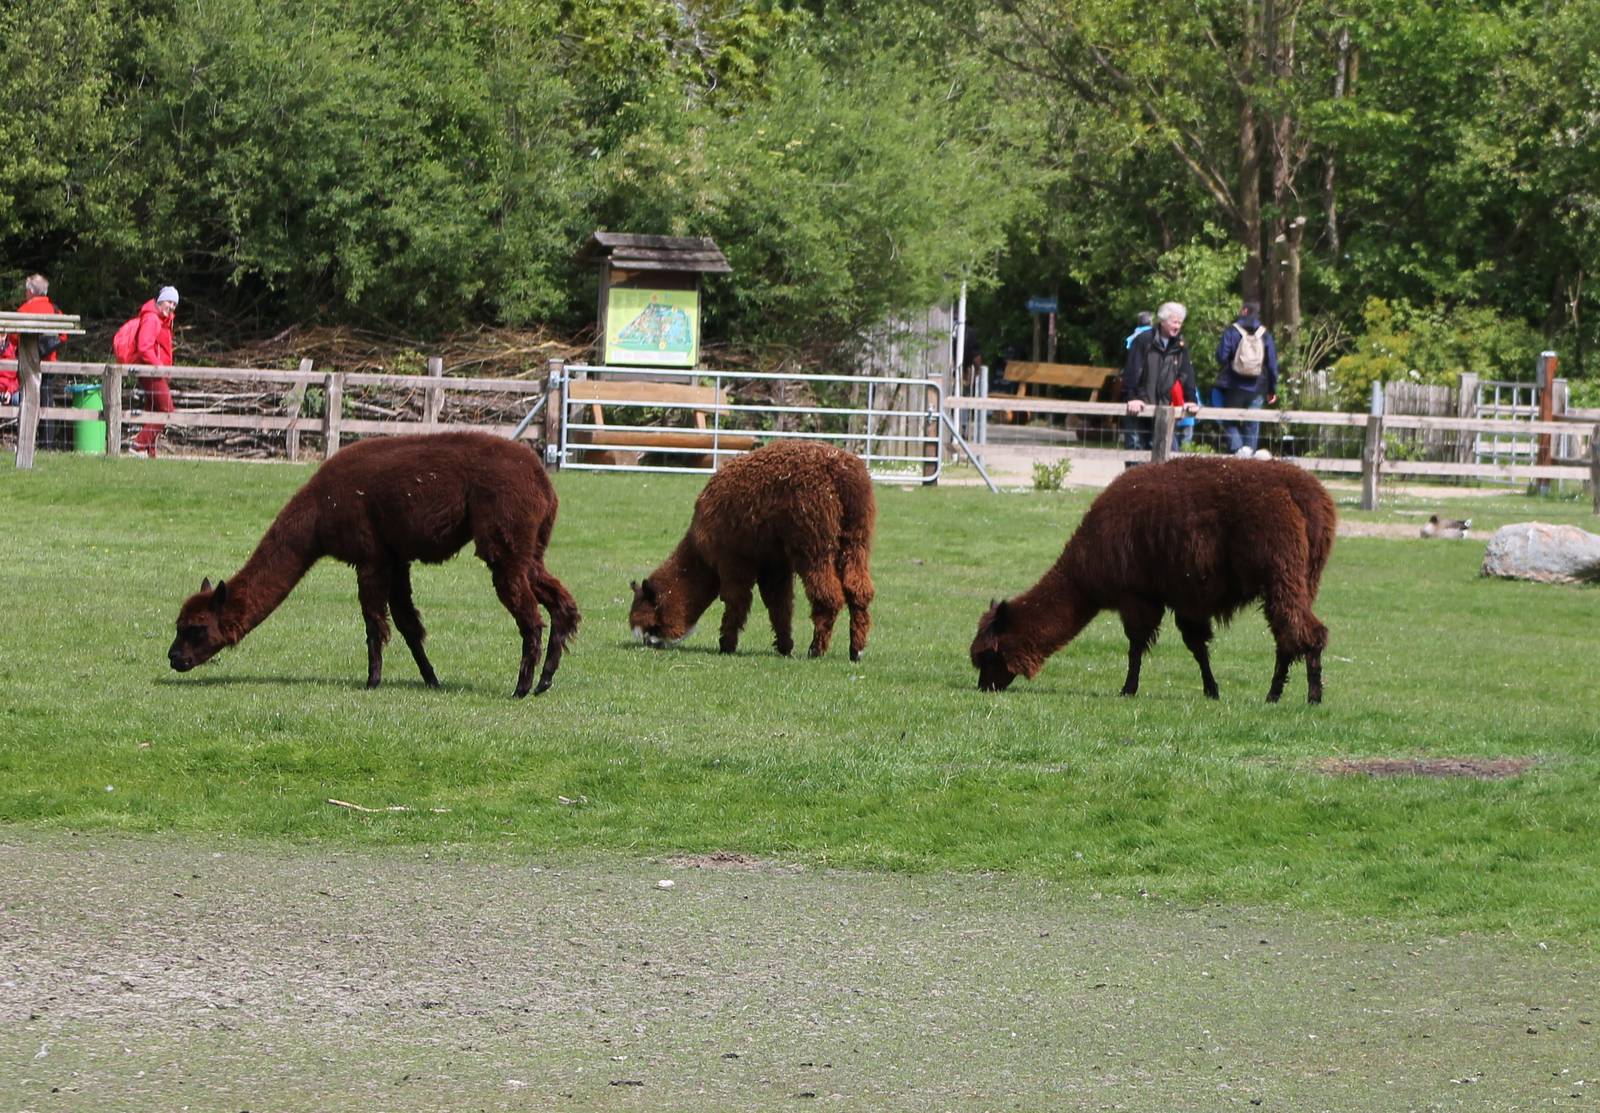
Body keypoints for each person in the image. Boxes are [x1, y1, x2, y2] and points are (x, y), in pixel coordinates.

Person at [1121, 301, 1199, 451]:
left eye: (1180, 323)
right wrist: (1131, 397)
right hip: (1141, 407)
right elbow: (1132, 370)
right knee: (1136, 453)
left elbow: (1187, 374)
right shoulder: (1144, 340)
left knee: (1168, 454)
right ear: (1163, 321)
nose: (1177, 326)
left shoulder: (1180, 346)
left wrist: (1191, 400)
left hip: (1165, 410)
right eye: (1174, 322)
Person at [1214, 300, 1279, 457]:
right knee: (1252, 422)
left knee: (1229, 419)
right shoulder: (1264, 334)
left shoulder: (1232, 331)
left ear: (1243, 311)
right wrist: (1272, 389)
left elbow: (1221, 357)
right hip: (1257, 386)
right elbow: (1272, 364)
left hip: (1234, 384)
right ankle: (1250, 457)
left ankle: (1238, 451)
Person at [1, 274, 68, 404]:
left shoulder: (24, 310)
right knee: (46, 402)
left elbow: (14, 338)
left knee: (29, 400)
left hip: (28, 363)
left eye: (26, 291)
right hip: (49, 363)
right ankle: (47, 424)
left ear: (31, 291)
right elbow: (63, 336)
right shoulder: (55, 310)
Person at [130, 286, 179, 457]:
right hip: (152, 372)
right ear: (160, 301)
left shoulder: (163, 320)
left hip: (156, 371)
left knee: (153, 410)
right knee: (167, 411)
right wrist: (160, 367)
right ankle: (139, 445)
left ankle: (149, 451)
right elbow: (144, 347)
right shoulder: (151, 319)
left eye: (174, 303)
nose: (171, 306)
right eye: (168, 301)